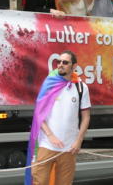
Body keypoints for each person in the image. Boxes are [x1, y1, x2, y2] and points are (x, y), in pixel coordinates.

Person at [27, 51, 91, 185]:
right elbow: (38, 114)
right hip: (46, 145)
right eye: (59, 62)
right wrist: (50, 136)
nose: (60, 65)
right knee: (40, 182)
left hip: (69, 148)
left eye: (65, 62)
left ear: (74, 66)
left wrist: (79, 141)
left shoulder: (81, 87)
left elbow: (86, 117)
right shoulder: (50, 84)